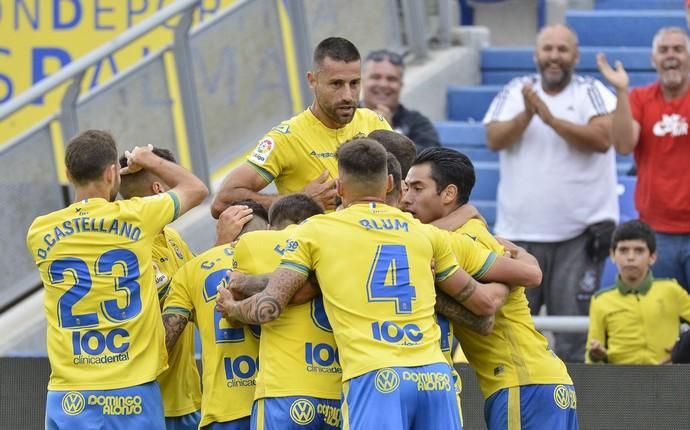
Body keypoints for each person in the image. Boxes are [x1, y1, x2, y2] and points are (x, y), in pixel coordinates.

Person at [216, 138, 511, 430]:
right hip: (435, 378)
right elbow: (482, 319)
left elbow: (270, 307)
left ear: (340, 188)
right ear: (389, 185)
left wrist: (233, 308)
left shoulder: (318, 231)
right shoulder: (426, 234)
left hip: (376, 376)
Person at [26, 130, 208, 429]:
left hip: (70, 392)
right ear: (112, 173)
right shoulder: (137, 216)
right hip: (133, 387)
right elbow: (196, 188)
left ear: (68, 174)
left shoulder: (39, 231)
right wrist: (146, 158)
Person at [402, 147, 578, 430]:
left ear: (448, 194)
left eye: (417, 188)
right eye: (406, 187)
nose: (406, 197)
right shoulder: (467, 232)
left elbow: (491, 307)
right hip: (542, 381)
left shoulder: (463, 239)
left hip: (521, 383)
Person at [483, 24, 619, 362]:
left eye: (562, 49)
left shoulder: (592, 91)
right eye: (547, 49)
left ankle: (574, 408)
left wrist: (551, 119)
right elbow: (494, 138)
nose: (554, 56)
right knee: (511, 333)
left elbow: (603, 139)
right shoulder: (516, 90)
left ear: (575, 55)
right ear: (536, 54)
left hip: (578, 238)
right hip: (518, 237)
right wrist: (529, 114)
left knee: (573, 336)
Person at [211, 37, 391, 217]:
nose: (347, 95)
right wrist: (301, 201)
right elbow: (222, 201)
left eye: (354, 83)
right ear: (312, 80)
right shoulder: (285, 138)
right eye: (336, 84)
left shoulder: (375, 123)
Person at [228, 194, 340, 429]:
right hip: (338, 392)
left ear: (270, 227)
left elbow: (233, 316)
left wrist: (232, 305)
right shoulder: (336, 245)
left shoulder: (254, 242)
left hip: (283, 389)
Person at [597, 26, 690, 293]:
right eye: (663, 50)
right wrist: (622, 92)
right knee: (663, 321)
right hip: (657, 232)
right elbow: (624, 145)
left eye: (678, 49)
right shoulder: (638, 98)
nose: (671, 55)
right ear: (653, 59)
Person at [162, 201, 268, 429]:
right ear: (268, 229)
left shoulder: (191, 271)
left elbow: (164, 344)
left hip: (224, 410)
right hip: (279, 401)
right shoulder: (285, 259)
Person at [118, 148, 201, 430]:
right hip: (153, 407)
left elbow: (198, 292)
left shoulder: (172, 236)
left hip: (187, 399)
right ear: (159, 190)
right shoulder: (132, 247)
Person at [586, 220, 690, 364]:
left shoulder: (671, 290)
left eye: (639, 250)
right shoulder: (600, 300)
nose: (630, 257)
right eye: (623, 250)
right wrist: (596, 355)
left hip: (667, 381)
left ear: (653, 257)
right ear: (612, 255)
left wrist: (681, 350)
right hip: (620, 381)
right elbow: (591, 357)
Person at [361, 49, 441, 151]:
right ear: (362, 81)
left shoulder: (417, 123)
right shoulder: (344, 116)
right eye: (376, 77)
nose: (383, 84)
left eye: (391, 79)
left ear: (401, 85)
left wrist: (389, 136)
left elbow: (432, 159)